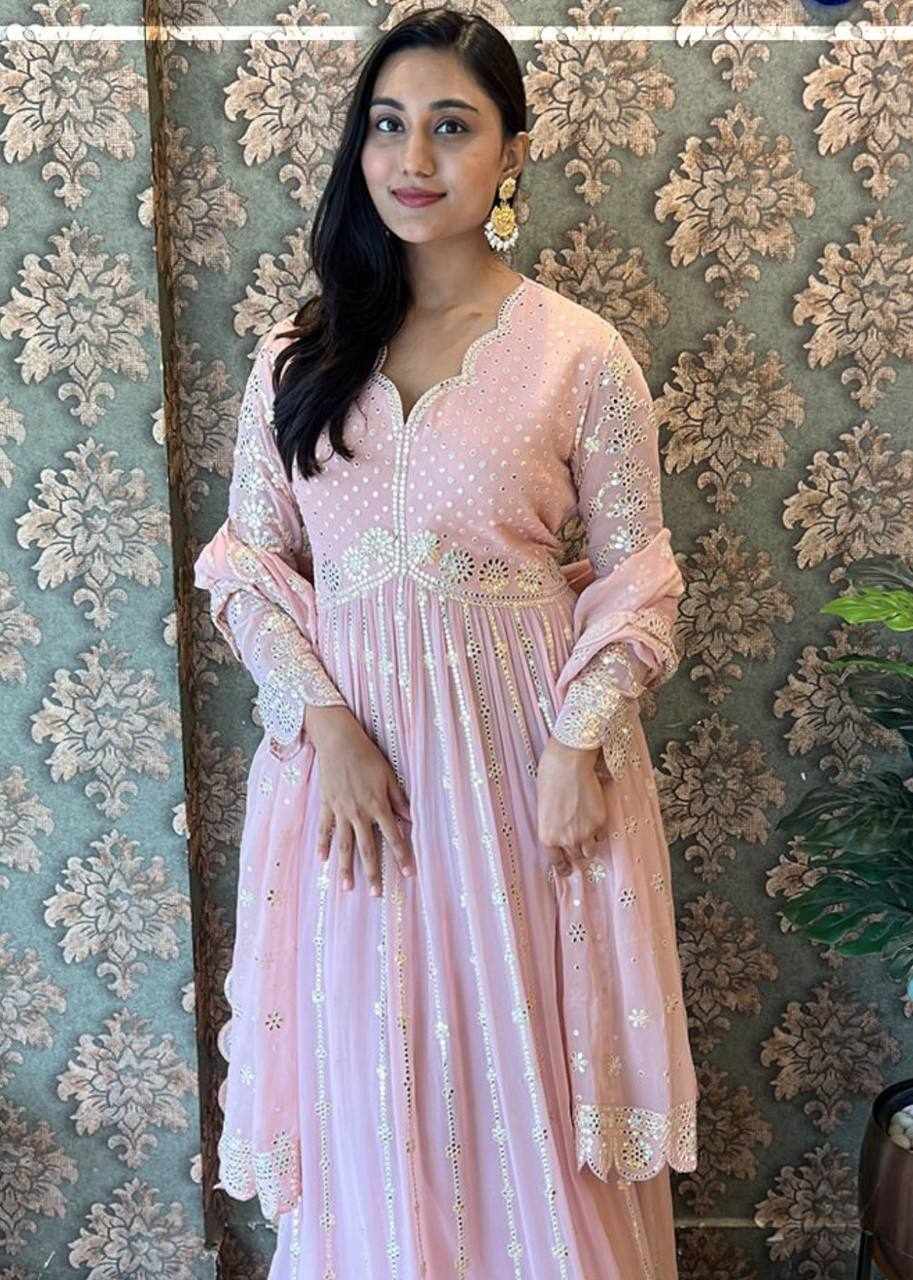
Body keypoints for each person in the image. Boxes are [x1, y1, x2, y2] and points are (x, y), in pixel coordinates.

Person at [193, 8, 699, 1277]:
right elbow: (245, 569)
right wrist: (327, 727)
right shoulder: (298, 359)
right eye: (387, 124)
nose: (412, 158)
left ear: (510, 153)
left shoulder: (580, 357)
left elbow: (638, 579)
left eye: (451, 126)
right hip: (353, 803)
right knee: (381, 1090)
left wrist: (577, 741)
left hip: (525, 782)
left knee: (526, 1089)